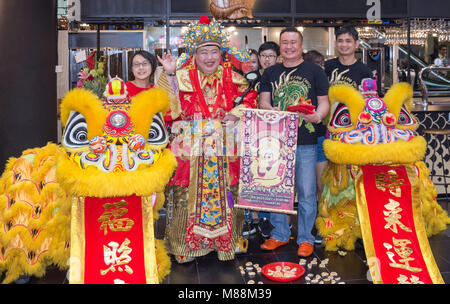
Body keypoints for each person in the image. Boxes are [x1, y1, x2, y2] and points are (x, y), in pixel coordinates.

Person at [158, 16, 258, 263]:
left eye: (214, 51)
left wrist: (235, 115)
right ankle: (184, 246)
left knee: (228, 193)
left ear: (220, 53)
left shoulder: (233, 75)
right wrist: (169, 75)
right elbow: (165, 107)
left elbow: (250, 97)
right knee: (184, 195)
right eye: (204, 52)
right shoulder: (180, 75)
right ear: (195, 54)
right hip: (190, 147)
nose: (210, 57)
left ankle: (229, 242)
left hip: (225, 146)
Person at [259, 27, 330, 257]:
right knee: (277, 189)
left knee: (307, 191)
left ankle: (306, 238)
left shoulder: (314, 71)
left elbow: (324, 103)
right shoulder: (270, 73)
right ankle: (279, 234)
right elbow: (263, 102)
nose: (289, 46)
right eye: (285, 42)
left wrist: (317, 116)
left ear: (301, 45)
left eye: (293, 42)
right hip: (276, 141)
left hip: (306, 140)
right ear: (280, 46)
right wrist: (273, 110)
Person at [304, 50, 327, 245]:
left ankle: (323, 222)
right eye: (316, 64)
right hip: (303, 140)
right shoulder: (305, 80)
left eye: (322, 63)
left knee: (321, 185)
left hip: (320, 138)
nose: (320, 67)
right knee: (305, 187)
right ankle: (306, 227)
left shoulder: (322, 81)